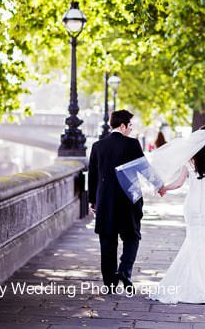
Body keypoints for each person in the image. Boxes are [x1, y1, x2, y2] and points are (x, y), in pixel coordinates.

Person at [148, 126, 205, 304]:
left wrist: (164, 188)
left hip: (192, 207)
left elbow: (178, 183)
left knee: (192, 243)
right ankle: (198, 290)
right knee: (204, 248)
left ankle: (186, 286)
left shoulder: (190, 160)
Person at [88, 109, 165, 293]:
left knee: (107, 241)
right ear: (122, 126)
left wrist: (93, 201)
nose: (131, 129)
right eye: (129, 126)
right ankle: (124, 270)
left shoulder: (98, 146)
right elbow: (145, 168)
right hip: (128, 201)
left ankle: (110, 284)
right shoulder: (132, 144)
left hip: (105, 202)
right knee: (132, 236)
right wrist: (159, 185)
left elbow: (92, 177)